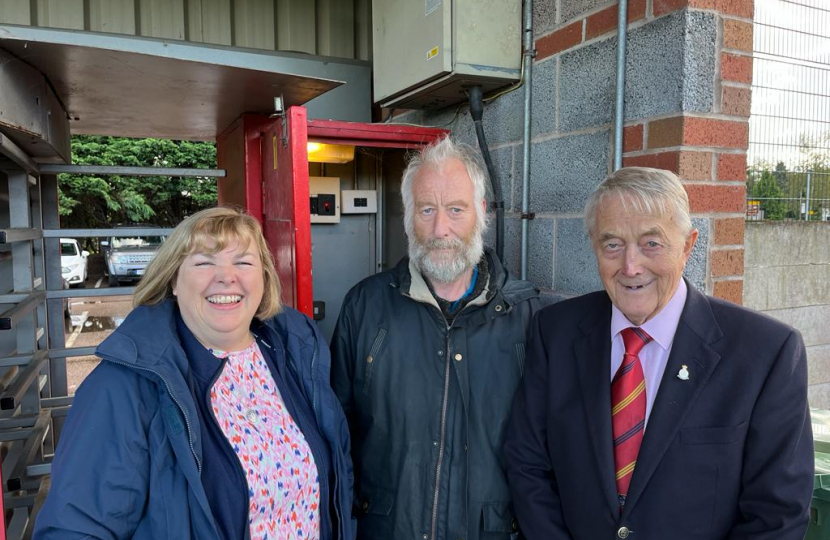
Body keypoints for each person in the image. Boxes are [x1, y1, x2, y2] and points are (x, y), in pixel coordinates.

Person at [505, 167, 814, 539]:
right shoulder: (554, 333)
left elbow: (777, 516)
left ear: (687, 245)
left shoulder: (766, 353)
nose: (630, 266)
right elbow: (528, 465)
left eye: (651, 243)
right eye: (612, 245)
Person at [35, 207, 356, 540]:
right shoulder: (122, 386)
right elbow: (74, 529)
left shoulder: (296, 353)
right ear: (174, 279)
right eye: (204, 262)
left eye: (243, 262)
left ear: (264, 277)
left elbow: (339, 478)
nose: (226, 277)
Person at [331, 136, 543, 540]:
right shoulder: (365, 306)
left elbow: (546, 451)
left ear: (481, 212)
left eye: (455, 209)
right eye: (427, 209)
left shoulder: (527, 316)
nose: (440, 228)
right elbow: (337, 433)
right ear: (409, 216)